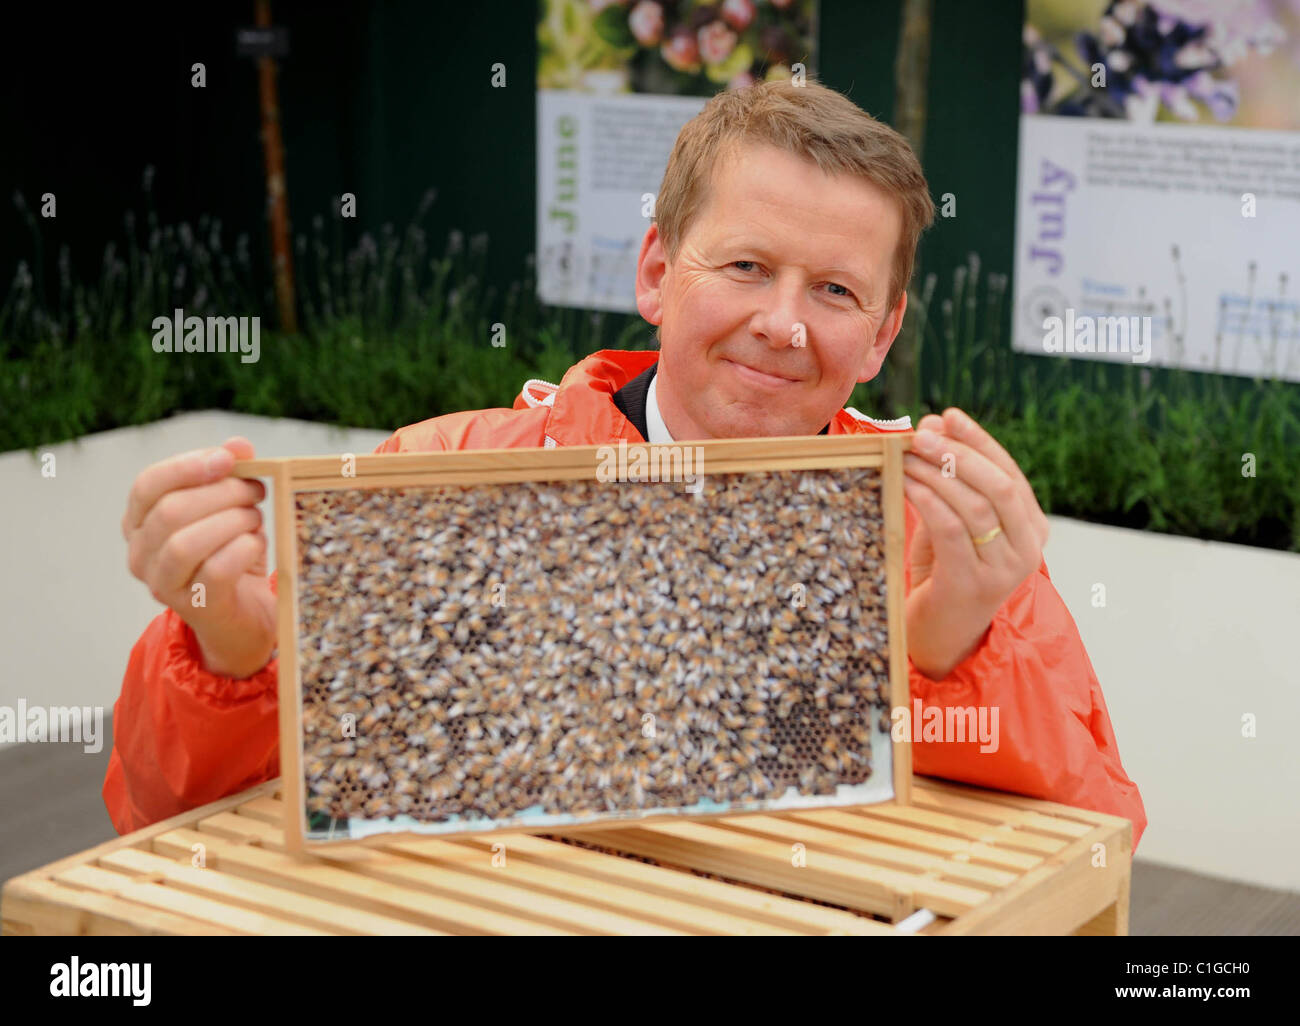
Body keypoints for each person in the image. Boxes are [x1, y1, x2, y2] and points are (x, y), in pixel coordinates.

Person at [107, 78, 1147, 851]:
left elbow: (1088, 838)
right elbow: (164, 816)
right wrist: (232, 654)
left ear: (882, 335)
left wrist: (940, 657)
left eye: (835, 292)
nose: (783, 325)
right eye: (745, 266)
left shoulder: (944, 535)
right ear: (658, 270)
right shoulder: (437, 477)